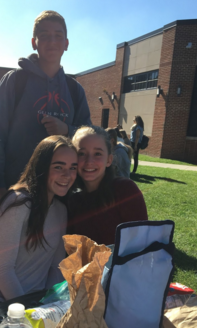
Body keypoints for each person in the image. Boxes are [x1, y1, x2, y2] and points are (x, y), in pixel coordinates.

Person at [0, 10, 91, 197]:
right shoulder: (15, 81)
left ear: (66, 44)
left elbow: (89, 138)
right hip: (14, 191)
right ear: (34, 43)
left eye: (58, 36)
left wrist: (67, 130)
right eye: (44, 35)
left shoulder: (75, 90)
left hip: (61, 195)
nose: (52, 41)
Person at [0, 136, 78, 301]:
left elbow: (56, 267)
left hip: (39, 306)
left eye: (73, 168)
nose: (67, 175)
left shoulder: (61, 210)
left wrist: (48, 304)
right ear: (41, 166)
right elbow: (3, 269)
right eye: (59, 167)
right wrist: (26, 314)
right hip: (10, 308)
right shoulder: (18, 203)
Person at [67, 126, 148, 245]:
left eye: (98, 154)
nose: (89, 161)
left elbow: (141, 242)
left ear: (109, 160)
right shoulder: (70, 197)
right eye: (82, 153)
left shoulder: (125, 191)